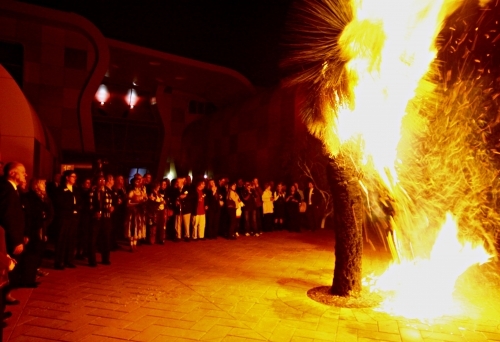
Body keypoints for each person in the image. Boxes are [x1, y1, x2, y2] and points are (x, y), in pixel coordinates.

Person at [0, 162, 27, 305]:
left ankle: (4, 300)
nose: (25, 175)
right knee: (6, 271)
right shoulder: (6, 189)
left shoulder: (13, 189)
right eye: (22, 172)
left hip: (10, 237)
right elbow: (8, 217)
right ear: (12, 173)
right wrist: (16, 240)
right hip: (7, 240)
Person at [19, 178, 53, 286]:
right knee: (31, 254)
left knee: (38, 252)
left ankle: (32, 275)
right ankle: (28, 278)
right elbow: (29, 215)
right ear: (37, 185)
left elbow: (50, 211)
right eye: (42, 184)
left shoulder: (44, 197)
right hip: (33, 228)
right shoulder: (30, 197)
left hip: (41, 227)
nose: (44, 186)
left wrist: (45, 223)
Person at [54, 170, 80, 270]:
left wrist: (77, 209)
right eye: (72, 176)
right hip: (64, 217)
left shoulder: (75, 189)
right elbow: (60, 203)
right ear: (67, 177)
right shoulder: (60, 189)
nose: (74, 178)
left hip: (74, 218)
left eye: (75, 177)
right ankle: (59, 261)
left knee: (71, 239)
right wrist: (71, 208)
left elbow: (80, 201)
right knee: (62, 239)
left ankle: (69, 260)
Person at [88, 175, 114, 266]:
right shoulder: (92, 192)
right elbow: (89, 204)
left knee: (106, 239)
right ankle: (92, 260)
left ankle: (105, 258)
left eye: (103, 180)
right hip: (95, 219)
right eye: (100, 179)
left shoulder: (108, 192)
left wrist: (112, 208)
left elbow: (113, 203)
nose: (102, 181)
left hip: (106, 218)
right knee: (93, 239)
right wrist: (94, 212)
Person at [124, 176, 147, 252]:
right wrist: (136, 203)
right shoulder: (132, 192)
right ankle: (131, 244)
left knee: (138, 227)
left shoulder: (142, 192)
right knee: (132, 227)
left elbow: (145, 200)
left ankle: (135, 243)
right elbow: (128, 204)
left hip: (139, 212)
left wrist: (144, 200)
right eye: (136, 182)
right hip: (133, 212)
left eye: (139, 182)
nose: (138, 183)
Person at [75, 178, 91, 260]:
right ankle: (79, 252)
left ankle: (85, 251)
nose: (88, 184)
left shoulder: (90, 192)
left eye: (89, 183)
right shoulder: (80, 192)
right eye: (87, 183)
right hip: (82, 216)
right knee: (81, 235)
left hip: (88, 216)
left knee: (86, 235)